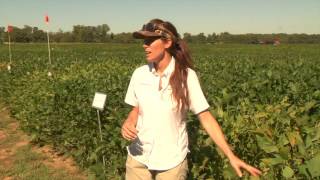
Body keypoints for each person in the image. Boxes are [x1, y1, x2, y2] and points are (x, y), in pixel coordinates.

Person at [121, 18, 262, 180]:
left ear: (167, 43)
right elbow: (136, 108)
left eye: (150, 40)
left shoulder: (186, 77)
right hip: (138, 157)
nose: (144, 45)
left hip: (171, 163)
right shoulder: (139, 74)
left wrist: (231, 155)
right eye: (144, 41)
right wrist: (129, 122)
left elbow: (205, 117)